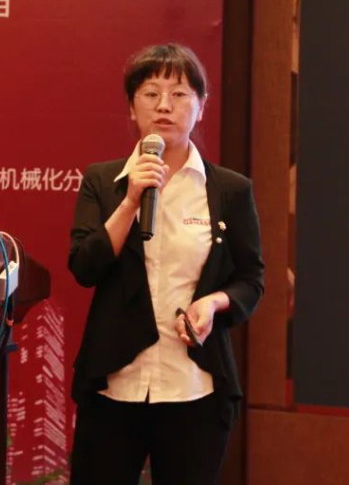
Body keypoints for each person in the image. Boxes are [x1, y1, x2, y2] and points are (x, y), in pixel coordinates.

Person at [68, 43, 265, 485]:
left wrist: (214, 303)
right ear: (132, 107)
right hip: (115, 384)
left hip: (194, 385)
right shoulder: (104, 181)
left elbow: (251, 279)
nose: (164, 106)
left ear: (201, 106)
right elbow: (84, 267)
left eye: (179, 94)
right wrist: (130, 201)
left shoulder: (230, 190)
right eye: (151, 93)